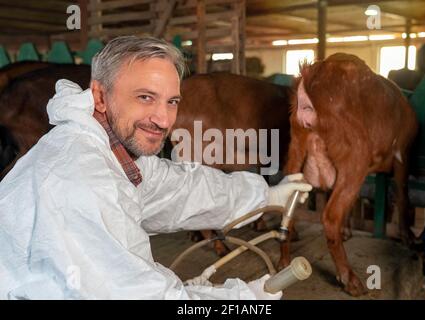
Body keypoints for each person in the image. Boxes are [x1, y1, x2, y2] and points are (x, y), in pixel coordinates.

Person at [0, 36, 312, 299]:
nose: (163, 119)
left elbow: (178, 188)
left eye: (172, 101)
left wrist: (266, 196)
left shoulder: (107, 149)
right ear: (99, 96)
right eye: (145, 97)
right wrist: (242, 299)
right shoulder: (78, 179)